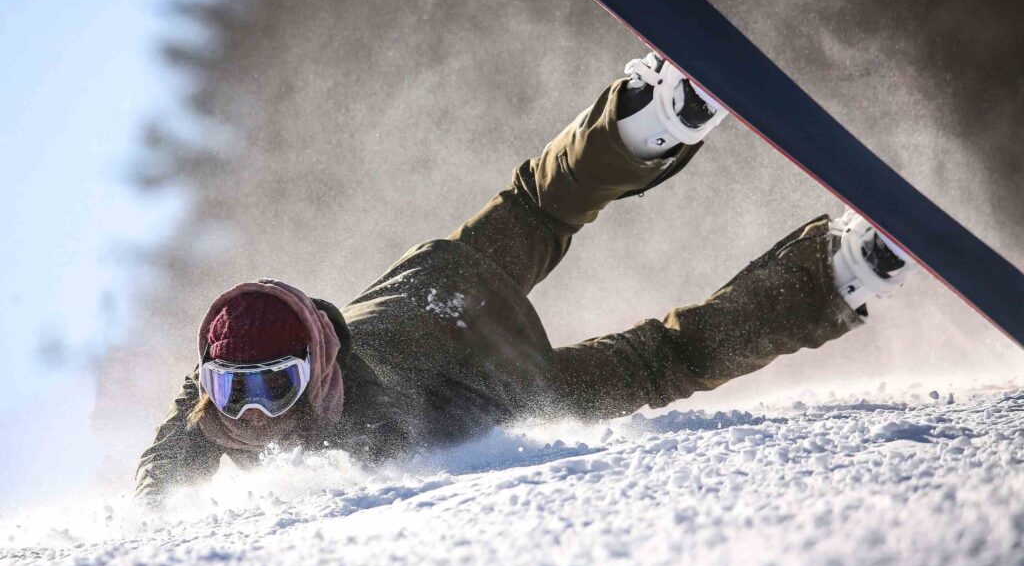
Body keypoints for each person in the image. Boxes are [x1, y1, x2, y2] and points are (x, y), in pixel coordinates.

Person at [134, 52, 916, 502]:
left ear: (320, 366)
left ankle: (653, 118)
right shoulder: (222, 408)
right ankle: (838, 272)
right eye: (236, 390)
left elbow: (358, 450)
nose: (254, 412)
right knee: (637, 325)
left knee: (548, 226)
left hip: (468, 333)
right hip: (466, 328)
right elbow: (165, 469)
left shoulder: (357, 421)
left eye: (274, 386)